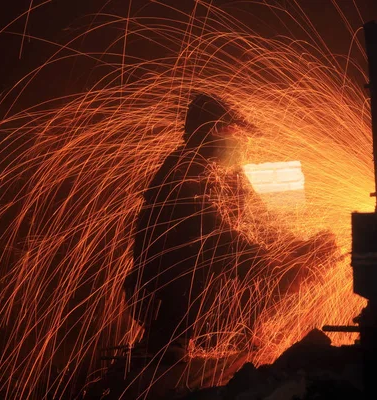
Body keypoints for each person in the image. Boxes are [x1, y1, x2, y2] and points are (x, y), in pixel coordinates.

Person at [124, 94, 335, 358]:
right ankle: (168, 342)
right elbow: (214, 237)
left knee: (271, 264)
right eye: (233, 132)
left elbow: (261, 225)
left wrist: (301, 248)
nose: (239, 142)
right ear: (211, 132)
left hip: (206, 290)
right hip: (162, 295)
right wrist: (272, 264)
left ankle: (242, 334)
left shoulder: (229, 177)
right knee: (240, 265)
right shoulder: (181, 176)